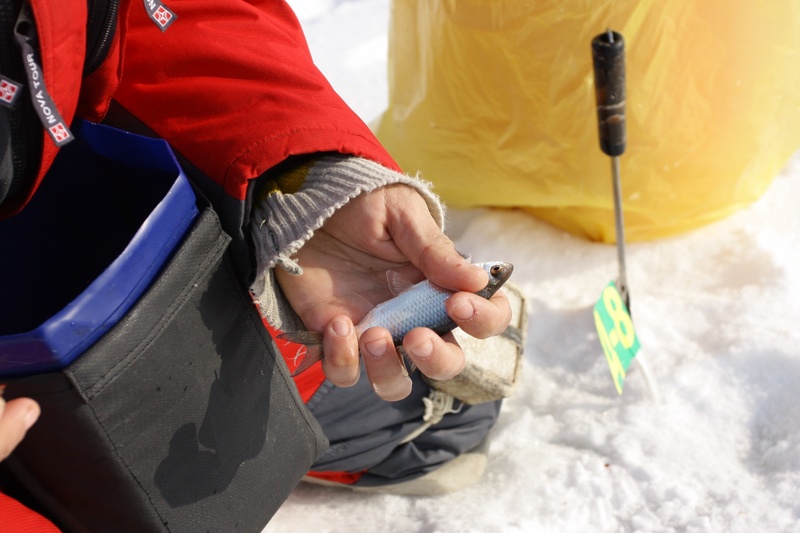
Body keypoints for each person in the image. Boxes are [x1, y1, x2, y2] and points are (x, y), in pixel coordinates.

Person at [0, 0, 513, 527]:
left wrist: (300, 178)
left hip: (140, 250)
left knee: (445, 404)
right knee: (441, 420)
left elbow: (171, 12)